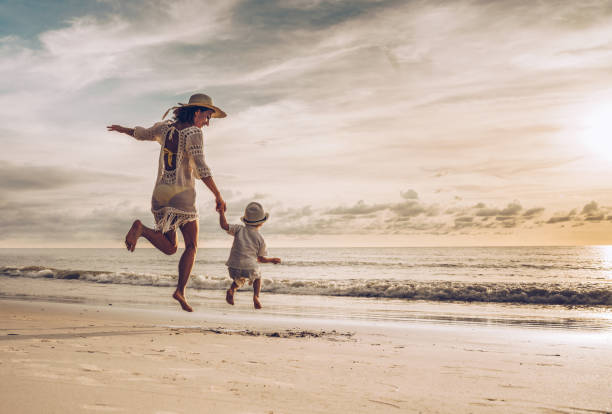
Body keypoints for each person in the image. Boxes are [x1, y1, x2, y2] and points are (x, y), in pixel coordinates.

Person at [107, 93, 227, 312]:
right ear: (197, 112)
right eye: (208, 117)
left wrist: (124, 129)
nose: (207, 123)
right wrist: (218, 195)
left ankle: (142, 229)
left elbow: (143, 134)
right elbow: (201, 166)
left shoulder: (165, 128)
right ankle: (180, 290)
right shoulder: (194, 133)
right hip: (182, 194)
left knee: (171, 248)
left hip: (161, 194)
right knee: (191, 245)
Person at [218, 202, 281, 309]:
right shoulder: (260, 238)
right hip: (249, 267)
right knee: (258, 277)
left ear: (246, 220)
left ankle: (231, 290)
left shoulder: (238, 229)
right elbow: (260, 259)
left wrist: (221, 212)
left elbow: (224, 225)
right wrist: (272, 260)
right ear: (262, 223)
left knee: (239, 280)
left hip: (233, 266)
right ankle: (256, 297)